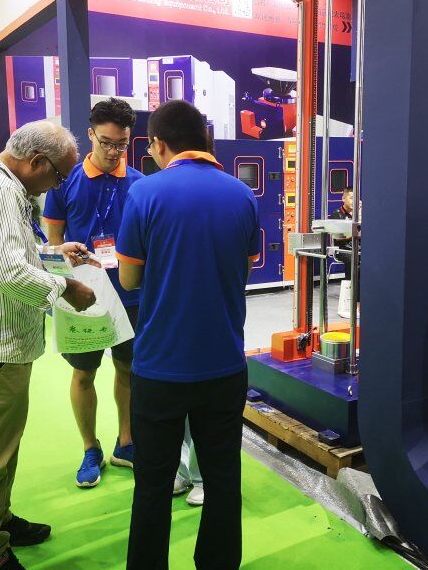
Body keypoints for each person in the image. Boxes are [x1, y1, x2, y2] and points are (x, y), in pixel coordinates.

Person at [0, 120, 97, 570]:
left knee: (1, 444)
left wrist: (51, 254)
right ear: (37, 162)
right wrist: (66, 287)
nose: (56, 186)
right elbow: (9, 273)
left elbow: (4, 256)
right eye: (58, 176)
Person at [117, 100, 260, 570]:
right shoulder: (242, 195)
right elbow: (241, 272)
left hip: (160, 366)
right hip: (224, 364)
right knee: (223, 478)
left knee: (152, 484)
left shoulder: (145, 193)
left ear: (159, 144)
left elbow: (130, 280)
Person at [43, 99, 145, 487]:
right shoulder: (65, 181)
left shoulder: (139, 184)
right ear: (90, 135)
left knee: (128, 370)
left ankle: (126, 442)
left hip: (129, 295)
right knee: (84, 373)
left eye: (121, 144)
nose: (114, 151)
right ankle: (90, 448)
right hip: (81, 294)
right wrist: (63, 288)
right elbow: (53, 242)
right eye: (106, 142)